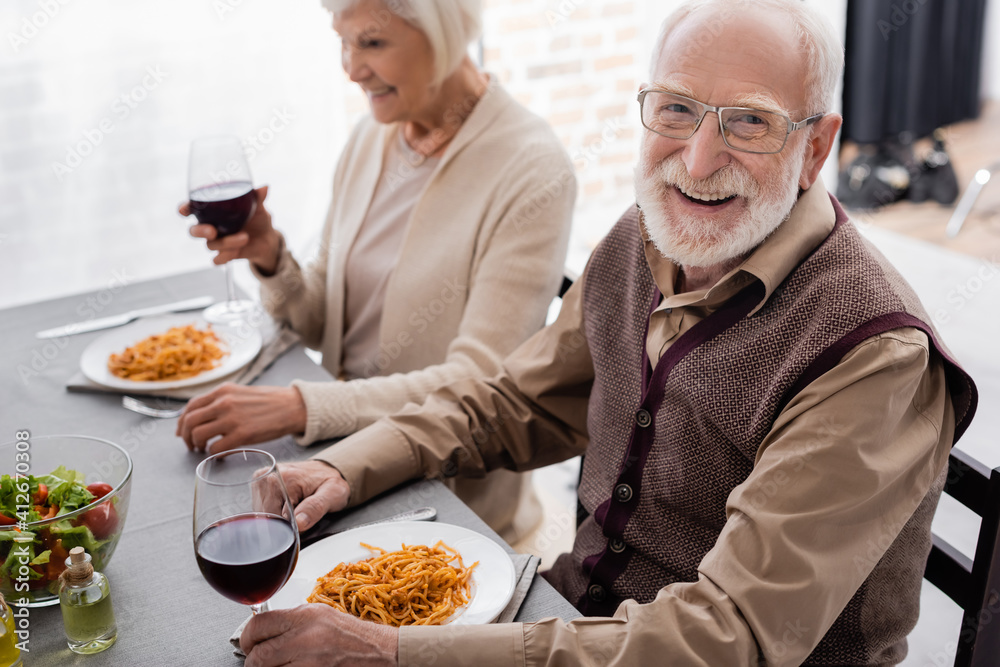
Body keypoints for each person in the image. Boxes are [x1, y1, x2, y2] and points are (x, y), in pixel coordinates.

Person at [239, 0, 978, 665]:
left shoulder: (875, 353)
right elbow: (513, 402)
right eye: (676, 108)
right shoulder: (641, 237)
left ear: (816, 148)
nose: (698, 159)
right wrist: (348, 467)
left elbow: (730, 637)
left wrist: (395, 652)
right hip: (571, 618)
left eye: (749, 121)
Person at [176, 0, 576, 545]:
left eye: (371, 42)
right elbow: (326, 322)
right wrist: (270, 255)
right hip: (331, 459)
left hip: (445, 507)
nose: (351, 68)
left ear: (445, 33)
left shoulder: (531, 168)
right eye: (343, 42)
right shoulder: (373, 136)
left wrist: (302, 405)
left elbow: (479, 384)